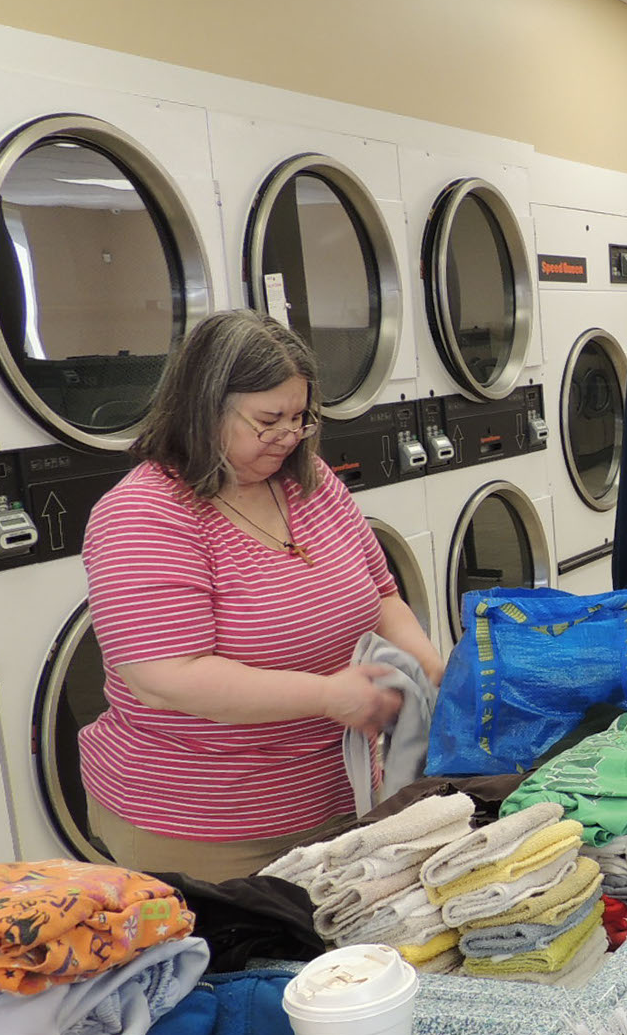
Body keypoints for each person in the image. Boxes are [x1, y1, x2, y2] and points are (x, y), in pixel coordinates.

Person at [80, 310, 445, 881]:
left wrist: (435, 673)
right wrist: (328, 696)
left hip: (335, 799)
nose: (288, 436)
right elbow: (165, 676)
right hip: (204, 826)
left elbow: (382, 596)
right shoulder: (144, 515)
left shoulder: (310, 482)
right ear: (203, 408)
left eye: (300, 417)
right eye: (267, 419)